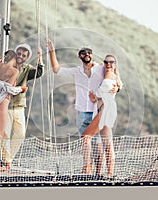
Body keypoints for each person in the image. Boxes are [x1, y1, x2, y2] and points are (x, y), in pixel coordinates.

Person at [46, 39, 118, 175]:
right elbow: (56, 70)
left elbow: (113, 75)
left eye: (89, 52)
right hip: (81, 112)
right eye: (84, 53)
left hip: (95, 112)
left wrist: (118, 87)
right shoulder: (76, 71)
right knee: (85, 144)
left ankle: (98, 172)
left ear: (92, 55)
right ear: (79, 56)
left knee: (97, 145)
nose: (87, 54)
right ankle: (87, 169)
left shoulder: (101, 68)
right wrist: (51, 51)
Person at [0, 44, 44, 170]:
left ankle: (5, 159)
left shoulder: (26, 69)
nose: (20, 56)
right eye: (18, 54)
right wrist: (21, 89)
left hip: (16, 105)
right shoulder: (9, 69)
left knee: (20, 134)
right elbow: (7, 87)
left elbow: (39, 73)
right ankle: (3, 162)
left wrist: (40, 57)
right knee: (2, 135)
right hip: (4, 105)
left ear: (27, 57)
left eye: (23, 55)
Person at [82, 54, 123, 177]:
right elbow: (102, 95)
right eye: (106, 62)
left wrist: (95, 95)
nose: (108, 64)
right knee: (107, 143)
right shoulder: (111, 76)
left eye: (112, 62)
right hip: (105, 110)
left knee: (86, 136)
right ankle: (109, 174)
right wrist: (94, 97)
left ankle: (87, 168)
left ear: (115, 64)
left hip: (105, 110)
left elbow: (104, 92)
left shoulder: (110, 76)